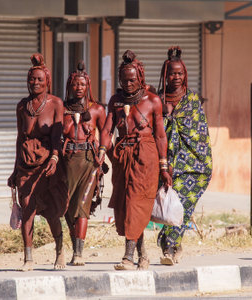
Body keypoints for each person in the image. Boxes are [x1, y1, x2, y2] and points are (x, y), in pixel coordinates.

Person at [99, 50, 172, 270]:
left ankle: (128, 257)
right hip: (122, 158)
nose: (128, 84)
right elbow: (107, 129)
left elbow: (160, 135)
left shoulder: (153, 101)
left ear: (140, 78)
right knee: (125, 205)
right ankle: (143, 255)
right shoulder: (115, 101)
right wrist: (102, 151)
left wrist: (164, 166)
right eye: (124, 80)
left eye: (132, 79)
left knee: (135, 203)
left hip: (146, 158)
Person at [7, 53, 67, 270]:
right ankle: (28, 258)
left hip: (47, 166)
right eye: (32, 79)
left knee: (51, 212)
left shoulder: (56, 104)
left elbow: (57, 136)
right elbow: (19, 138)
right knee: (27, 209)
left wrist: (54, 157)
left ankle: (60, 251)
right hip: (25, 165)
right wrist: (14, 171)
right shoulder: (22, 106)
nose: (35, 83)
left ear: (47, 81)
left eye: (40, 80)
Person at [157, 46, 213, 265]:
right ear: (165, 74)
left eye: (180, 73)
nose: (176, 77)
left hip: (193, 166)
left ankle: (169, 245)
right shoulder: (155, 101)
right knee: (165, 205)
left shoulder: (192, 101)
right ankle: (170, 243)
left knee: (182, 203)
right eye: (172, 73)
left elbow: (199, 136)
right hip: (162, 162)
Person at [61, 62, 106, 266]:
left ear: (88, 86)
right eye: (75, 84)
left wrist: (104, 154)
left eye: (82, 84)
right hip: (67, 163)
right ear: (70, 86)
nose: (79, 88)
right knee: (68, 207)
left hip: (89, 162)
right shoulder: (61, 109)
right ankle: (73, 248)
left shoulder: (97, 109)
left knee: (82, 206)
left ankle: (78, 254)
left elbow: (106, 134)